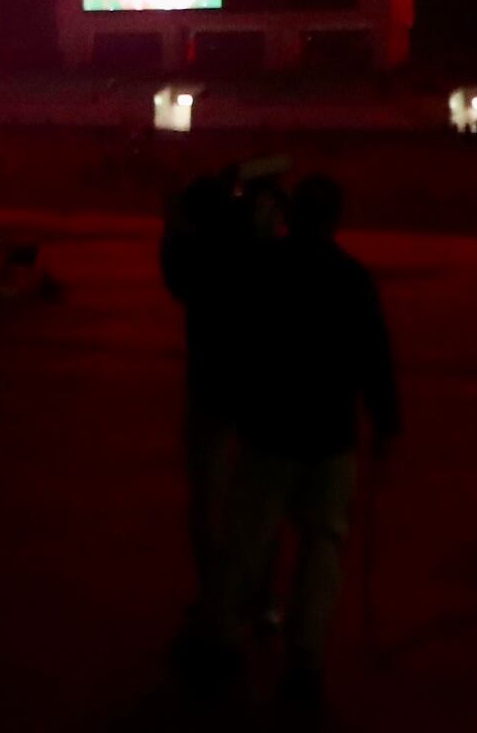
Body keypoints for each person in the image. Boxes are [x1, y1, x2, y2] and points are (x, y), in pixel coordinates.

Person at [215, 174, 401, 711]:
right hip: (328, 435)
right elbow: (374, 355)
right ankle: (306, 658)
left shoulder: (264, 270)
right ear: (335, 219)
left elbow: (240, 344)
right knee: (323, 546)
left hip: (270, 429)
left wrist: (239, 405)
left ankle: (224, 638)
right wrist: (385, 420)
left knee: (248, 538)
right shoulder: (351, 279)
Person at [162, 162, 276, 617]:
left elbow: (173, 267)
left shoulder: (192, 257)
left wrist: (175, 221)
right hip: (255, 384)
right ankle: (261, 594)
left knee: (206, 499)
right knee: (258, 497)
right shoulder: (255, 252)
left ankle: (215, 593)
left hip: (208, 384)